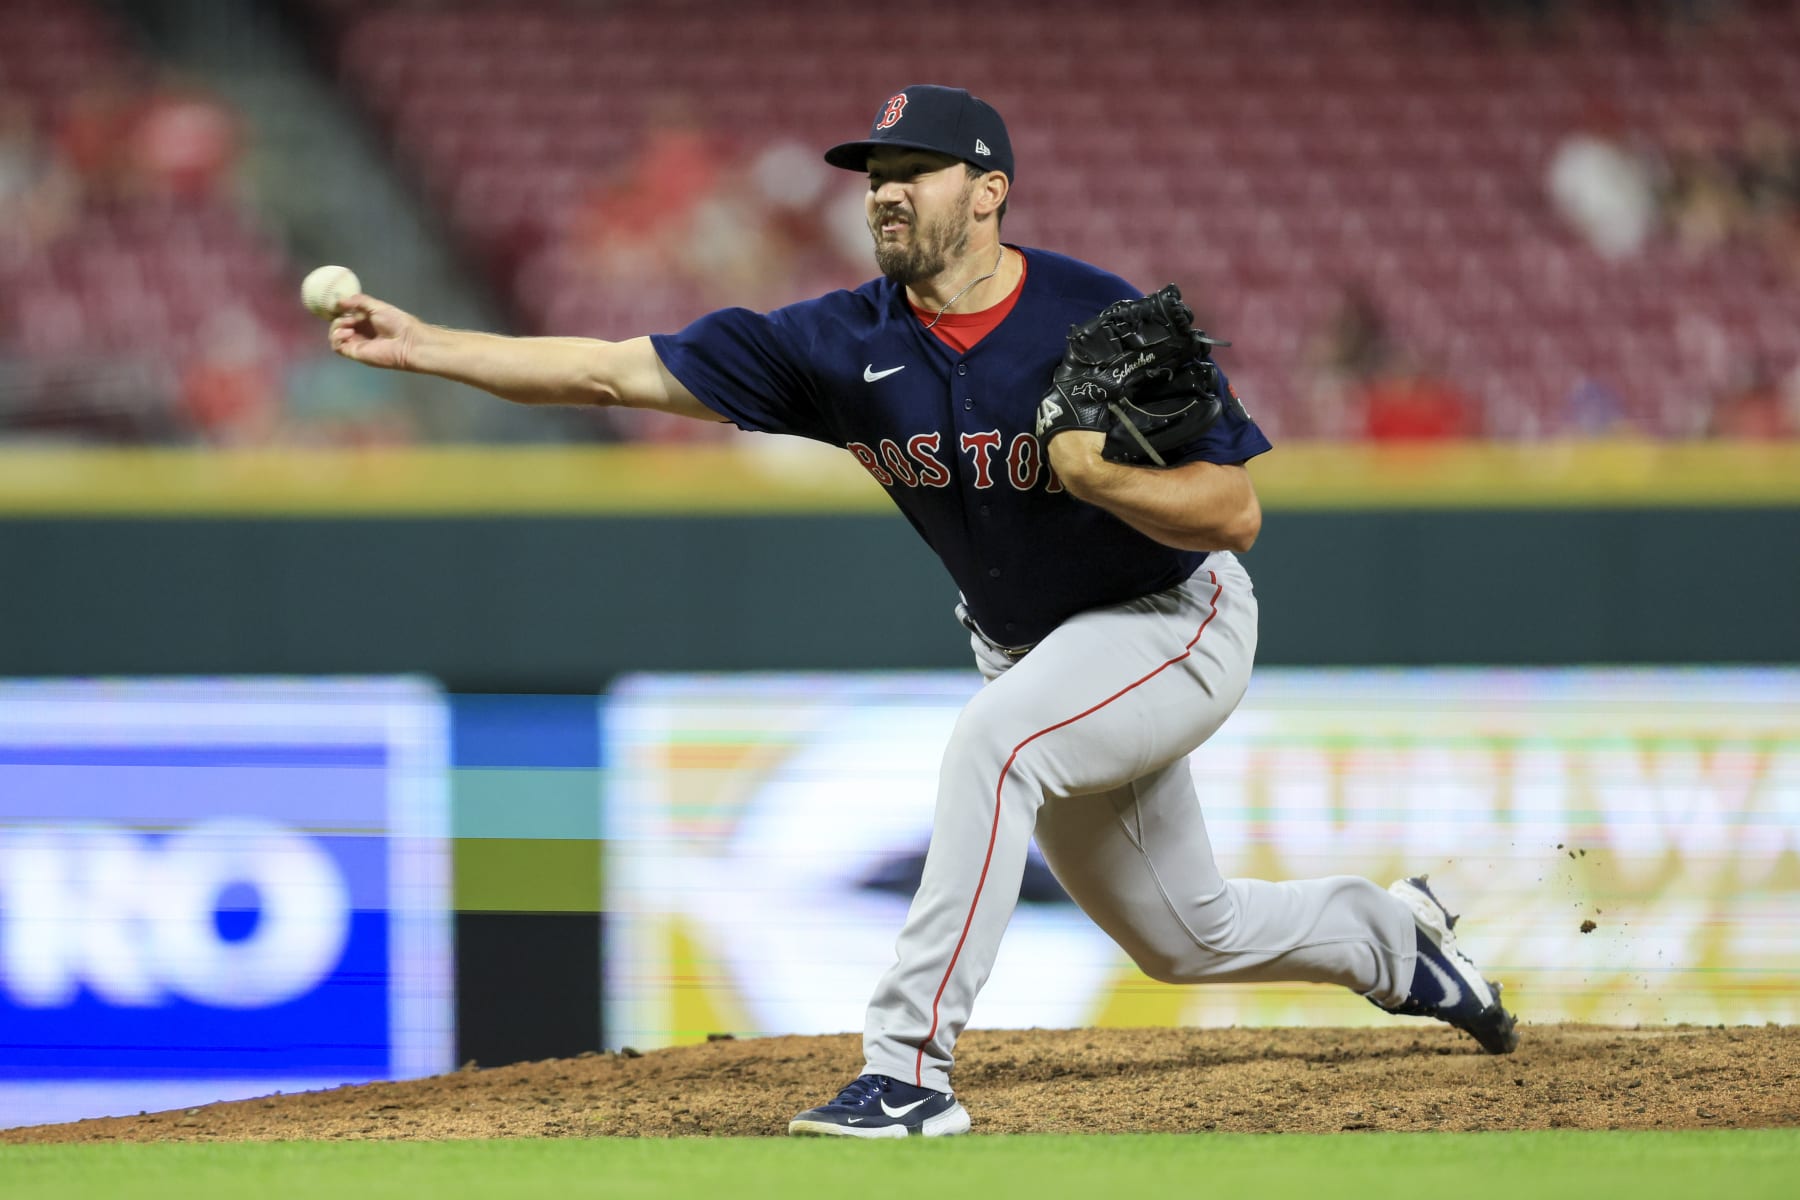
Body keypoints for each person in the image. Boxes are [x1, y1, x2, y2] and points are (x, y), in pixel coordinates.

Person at [327, 84, 1518, 1138]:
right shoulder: (843, 344)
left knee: (995, 751)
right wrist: (427, 344)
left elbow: (1237, 509)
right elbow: (608, 368)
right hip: (1037, 656)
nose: (883, 197)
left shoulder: (1092, 320)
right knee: (1181, 937)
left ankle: (907, 1073)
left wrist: (1107, 477)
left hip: (1174, 622)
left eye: (912, 175)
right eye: (874, 179)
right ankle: (1389, 942)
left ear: (989, 191)